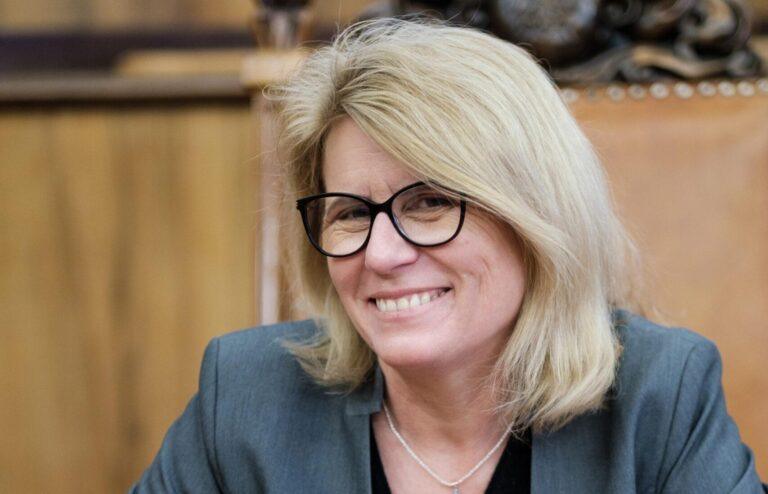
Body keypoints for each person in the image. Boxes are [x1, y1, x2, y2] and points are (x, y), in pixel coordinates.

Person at [131, 18, 765, 493]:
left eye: (430, 203)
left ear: (536, 218)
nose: (382, 254)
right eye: (351, 213)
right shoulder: (245, 397)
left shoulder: (661, 397)